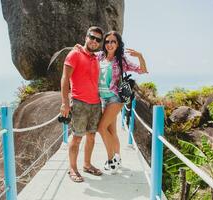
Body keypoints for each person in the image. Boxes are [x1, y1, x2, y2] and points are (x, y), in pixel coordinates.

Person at [96, 31, 148, 174]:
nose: (110, 44)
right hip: (102, 98)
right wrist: (78, 48)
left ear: (118, 44)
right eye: (107, 41)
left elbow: (142, 70)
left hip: (115, 98)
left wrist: (140, 56)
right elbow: (85, 56)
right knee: (111, 130)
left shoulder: (121, 59)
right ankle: (118, 157)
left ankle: (111, 160)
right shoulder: (99, 57)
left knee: (101, 128)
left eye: (113, 41)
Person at [60, 26, 104, 183]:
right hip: (79, 103)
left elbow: (114, 53)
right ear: (86, 37)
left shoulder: (96, 58)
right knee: (77, 137)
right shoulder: (74, 54)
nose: (94, 41)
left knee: (91, 136)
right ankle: (72, 168)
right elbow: (65, 78)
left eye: (98, 39)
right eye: (92, 37)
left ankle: (87, 164)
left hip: (95, 103)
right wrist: (65, 102)